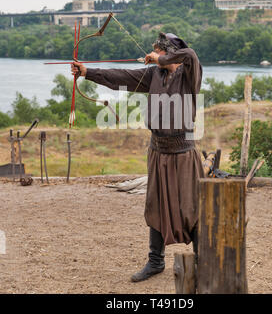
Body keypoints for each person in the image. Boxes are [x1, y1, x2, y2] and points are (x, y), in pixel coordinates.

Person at [71, 32, 203, 282]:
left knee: (191, 206)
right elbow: (120, 77)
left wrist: (161, 59)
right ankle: (156, 262)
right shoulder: (154, 75)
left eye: (159, 51)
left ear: (169, 53)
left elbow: (190, 54)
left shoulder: (189, 73)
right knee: (155, 205)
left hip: (183, 153)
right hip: (158, 151)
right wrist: (87, 72)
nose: (154, 55)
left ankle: (202, 259)